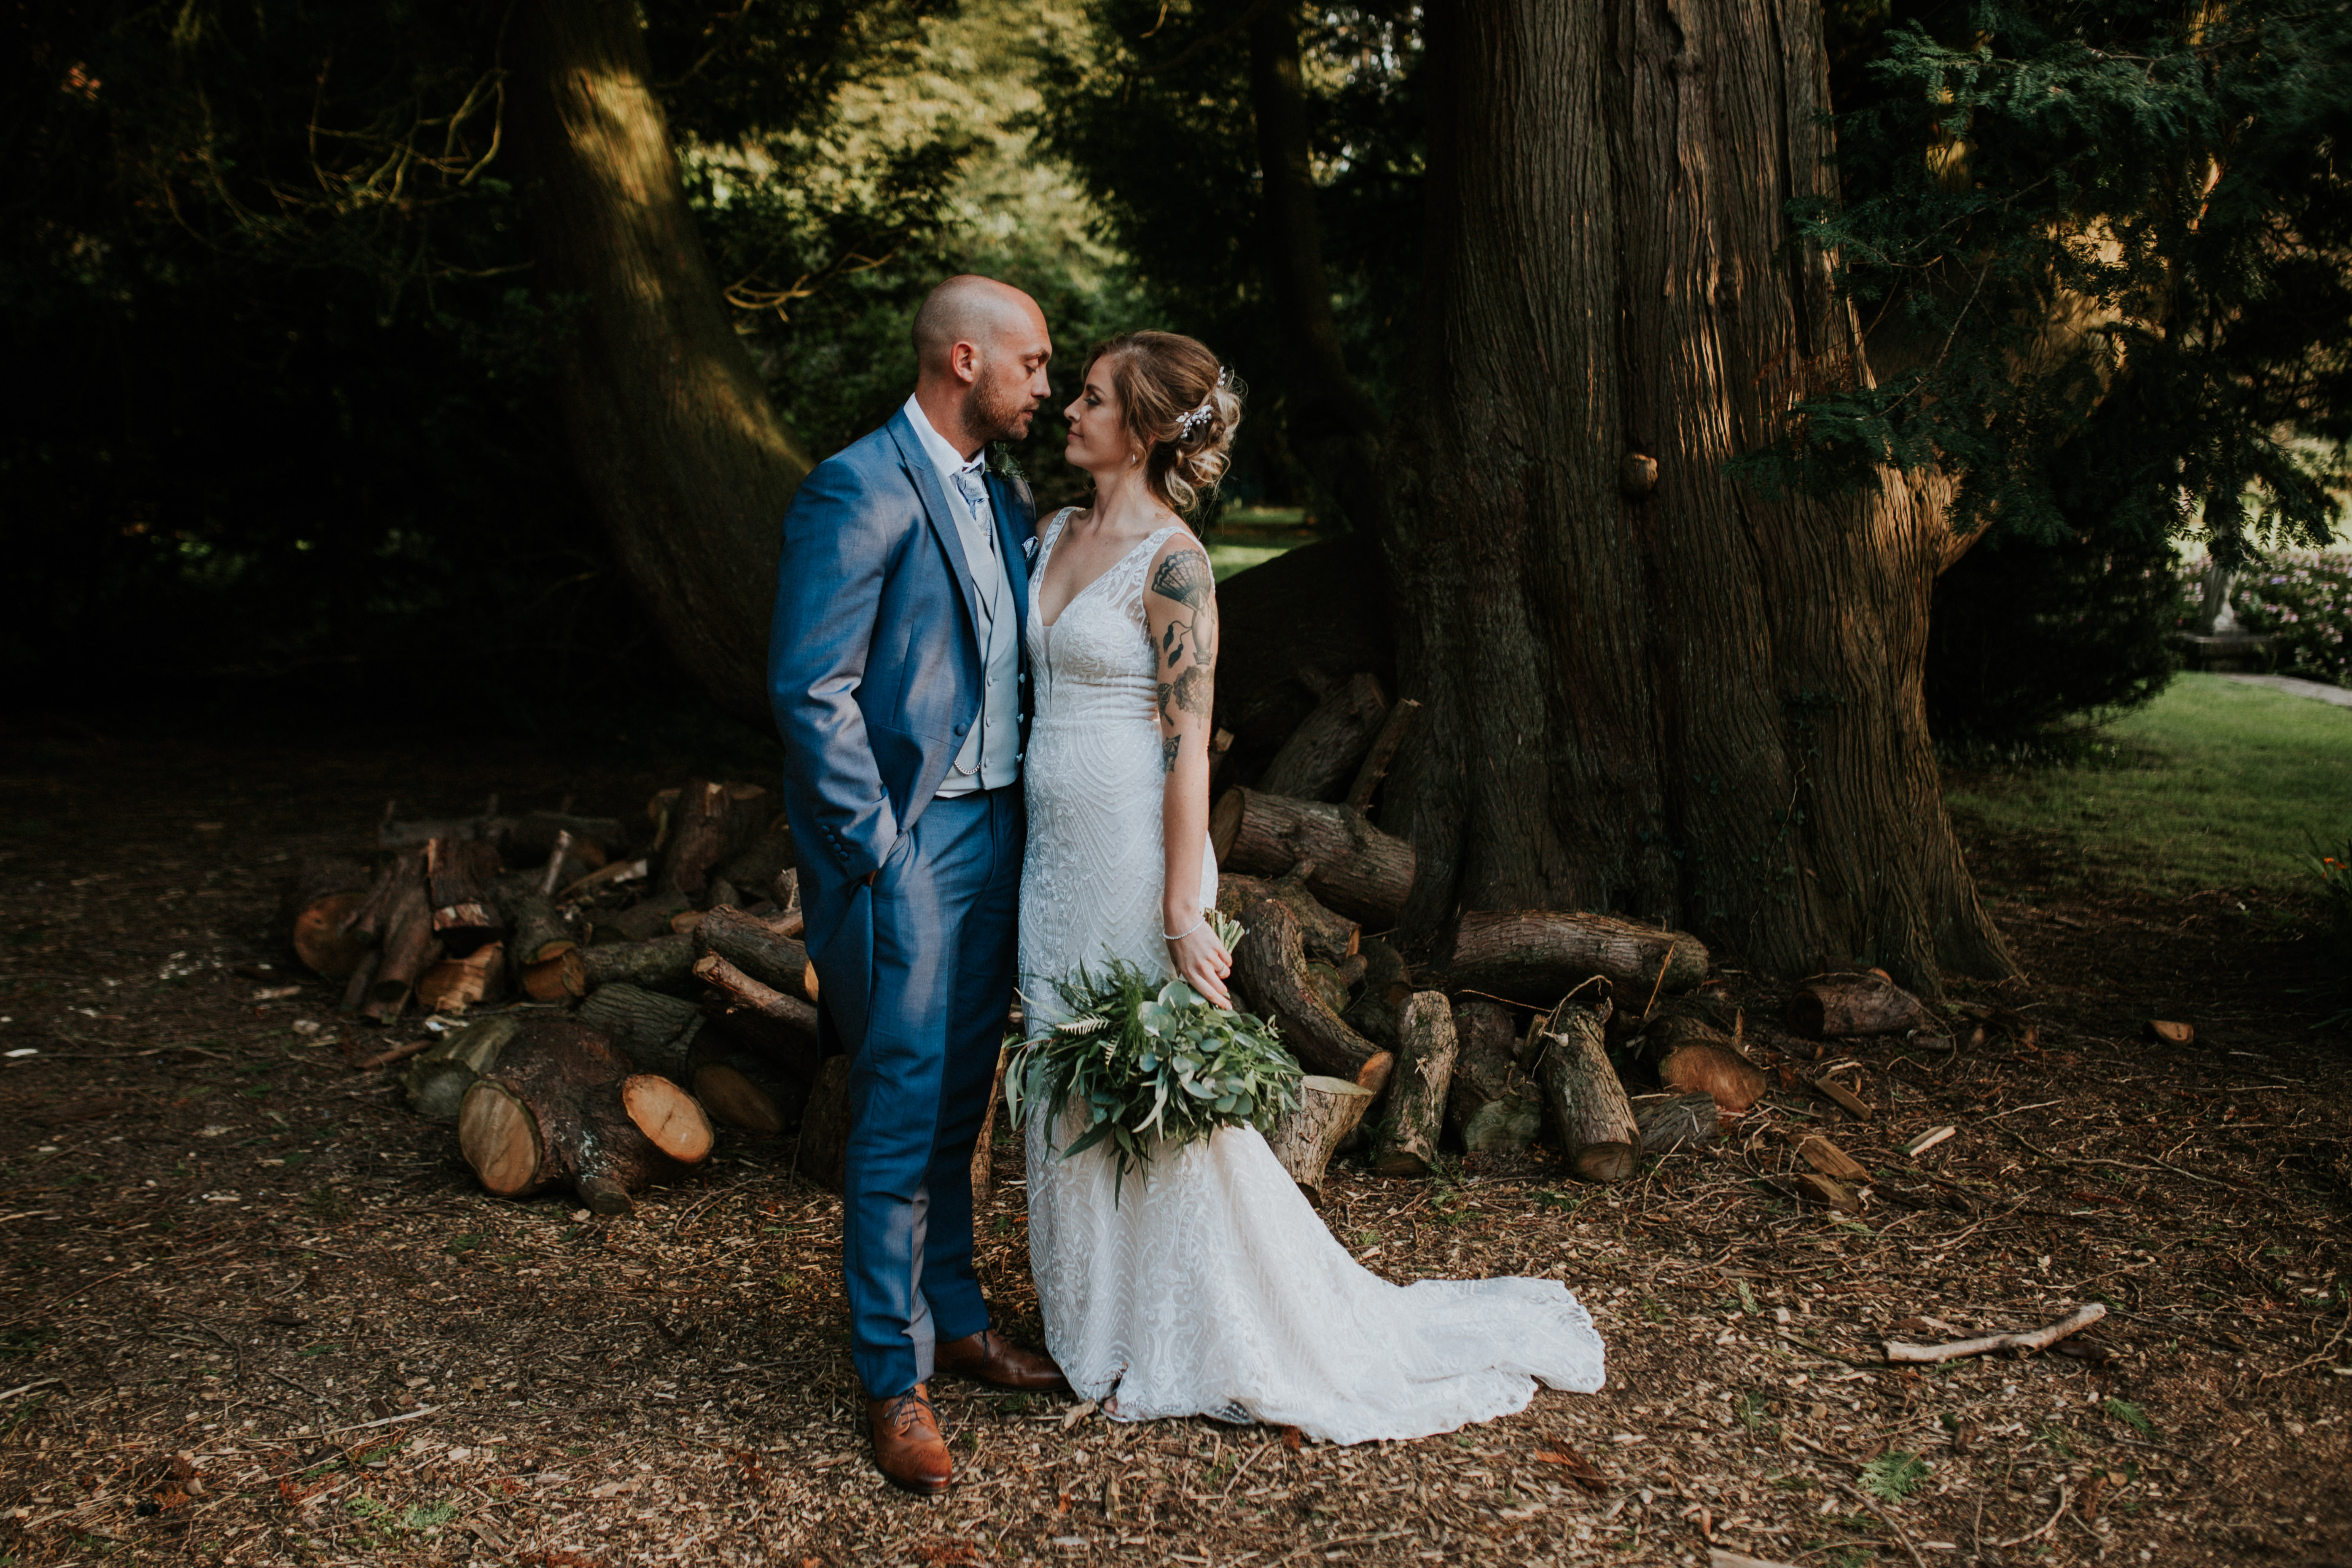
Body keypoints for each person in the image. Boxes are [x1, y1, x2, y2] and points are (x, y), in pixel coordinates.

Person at [1019, 330, 1608, 1444]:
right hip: (1045, 861)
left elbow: (1189, 747)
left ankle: (1198, 1321)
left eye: (1090, 399)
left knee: (1150, 1078)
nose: (1068, 410)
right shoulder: (1051, 534)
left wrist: (1183, 904)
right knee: (1067, 1069)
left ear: (1144, 430)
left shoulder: (1176, 565)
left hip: (1130, 856)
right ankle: (1087, 1319)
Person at [769, 275, 1071, 1498]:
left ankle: (957, 1316)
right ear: (964, 359)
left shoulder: (997, 494)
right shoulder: (855, 484)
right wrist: (880, 850)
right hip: (916, 845)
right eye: (1035, 365)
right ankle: (891, 1383)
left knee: (960, 1097)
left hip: (1002, 835)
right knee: (896, 1107)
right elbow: (810, 688)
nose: (1047, 388)